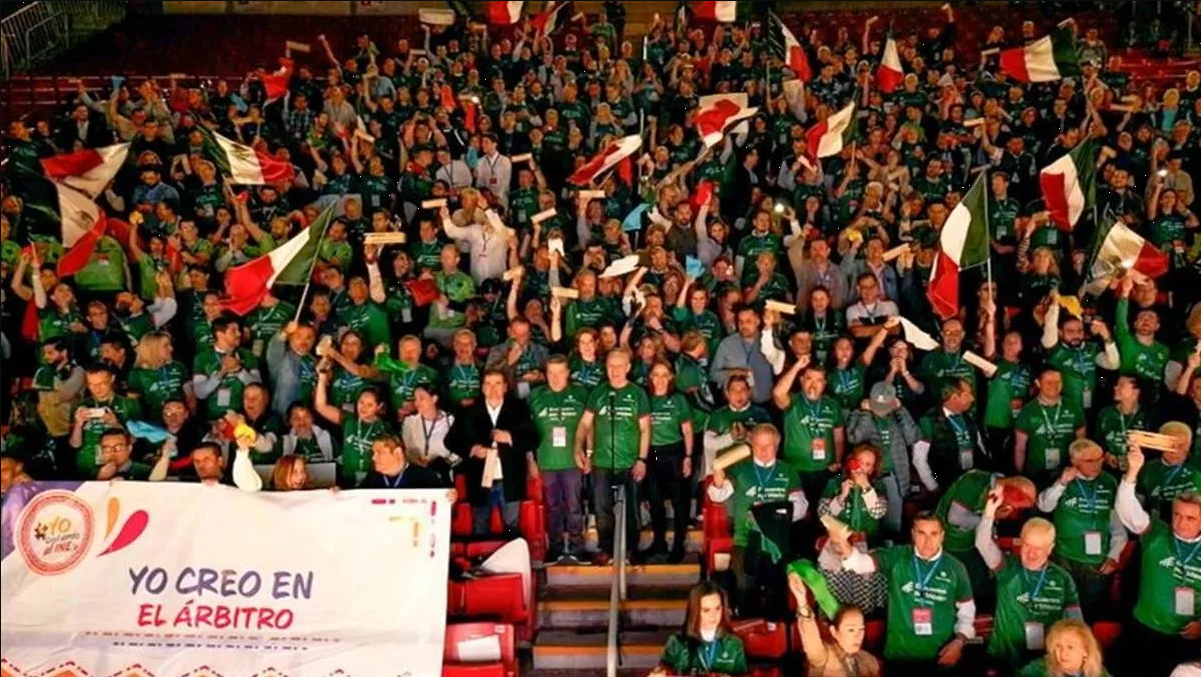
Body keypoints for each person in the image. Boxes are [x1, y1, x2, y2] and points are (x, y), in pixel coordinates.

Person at [819, 512, 976, 675]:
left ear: (942, 535)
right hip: (899, 658)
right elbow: (860, 564)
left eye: (934, 534)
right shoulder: (898, 556)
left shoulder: (955, 567)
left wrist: (959, 642)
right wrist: (842, 542)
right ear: (913, 534)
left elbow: (967, 612)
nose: (928, 541)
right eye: (921, 533)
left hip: (941, 658)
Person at [1113, 446, 1201, 676]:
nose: (1181, 523)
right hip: (1144, 631)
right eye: (1177, 515)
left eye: (1191, 518)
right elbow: (1128, 511)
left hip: (1184, 640)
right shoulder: (1157, 534)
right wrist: (1132, 474)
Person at [977, 488, 1082, 670]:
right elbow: (982, 544)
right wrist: (989, 514)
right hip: (1005, 658)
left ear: (1050, 548)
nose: (1032, 554)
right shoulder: (1007, 567)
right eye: (1027, 546)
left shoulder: (1063, 578)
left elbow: (1076, 625)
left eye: (1039, 548)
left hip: (1046, 662)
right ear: (1020, 542)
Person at [707, 423, 807, 617]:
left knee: (777, 594)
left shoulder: (788, 471)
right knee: (745, 591)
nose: (763, 451)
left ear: (777, 446)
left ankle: (777, 638)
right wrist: (718, 478)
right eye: (759, 445)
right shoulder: (740, 469)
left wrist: (771, 516)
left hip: (777, 545)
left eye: (768, 445)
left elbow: (800, 507)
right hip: (745, 542)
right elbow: (717, 495)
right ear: (751, 445)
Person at [1036, 439, 1129, 619]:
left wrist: (1113, 555)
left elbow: (1118, 526)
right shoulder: (1060, 478)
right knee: (1061, 607)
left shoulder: (1109, 482)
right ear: (1074, 461)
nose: (1096, 464)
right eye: (1089, 461)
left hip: (1096, 562)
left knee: (1091, 612)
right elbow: (1044, 506)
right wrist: (1061, 483)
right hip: (1064, 556)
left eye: (1100, 459)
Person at [575, 348, 650, 566]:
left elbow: (645, 429)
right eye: (610, 366)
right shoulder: (598, 393)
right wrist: (580, 449)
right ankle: (606, 549)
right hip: (601, 461)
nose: (615, 370)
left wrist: (642, 459)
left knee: (633, 509)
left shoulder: (638, 394)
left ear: (628, 367)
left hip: (630, 461)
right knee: (601, 508)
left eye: (619, 366)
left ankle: (632, 550)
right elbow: (584, 424)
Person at [446, 369, 534, 535]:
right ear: (482, 388)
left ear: (505, 387)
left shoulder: (518, 410)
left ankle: (511, 557)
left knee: (511, 526)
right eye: (488, 384)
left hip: (510, 477)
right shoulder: (469, 412)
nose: (493, 388)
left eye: (497, 384)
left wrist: (510, 437)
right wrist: (473, 449)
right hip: (479, 478)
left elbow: (533, 439)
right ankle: (481, 559)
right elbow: (450, 441)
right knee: (480, 525)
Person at [527, 355, 589, 564]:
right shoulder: (535, 396)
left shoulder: (581, 394)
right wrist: (530, 461)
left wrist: (588, 455)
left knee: (574, 505)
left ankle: (576, 546)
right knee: (552, 506)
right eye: (551, 373)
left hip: (573, 461)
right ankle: (554, 548)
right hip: (546, 462)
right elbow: (525, 432)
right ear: (545, 374)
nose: (555, 378)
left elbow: (590, 426)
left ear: (567, 373)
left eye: (560, 372)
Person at [789, 572, 882, 677]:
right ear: (834, 632)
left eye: (862, 629)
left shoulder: (869, 660)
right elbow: (811, 642)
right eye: (851, 630)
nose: (858, 636)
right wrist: (802, 601)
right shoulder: (823, 657)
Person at [650, 581, 748, 676]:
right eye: (706, 610)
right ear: (695, 611)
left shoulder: (734, 644)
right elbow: (662, 671)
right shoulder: (676, 642)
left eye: (718, 608)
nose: (713, 615)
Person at [915, 377, 986, 496]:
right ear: (954, 397)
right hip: (944, 483)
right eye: (967, 395)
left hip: (971, 481)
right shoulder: (928, 421)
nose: (972, 398)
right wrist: (933, 486)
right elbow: (919, 459)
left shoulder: (969, 418)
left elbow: (981, 448)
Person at [1016, 619, 1112, 677]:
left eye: (1070, 647)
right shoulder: (1038, 669)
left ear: (1086, 651)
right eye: (1058, 646)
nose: (1063, 653)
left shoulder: (1099, 673)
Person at [360, 434, 448, 490]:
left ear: (398, 452)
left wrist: (451, 500)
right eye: (373, 453)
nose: (373, 458)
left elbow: (442, 504)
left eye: (379, 452)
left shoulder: (425, 476)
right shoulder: (372, 478)